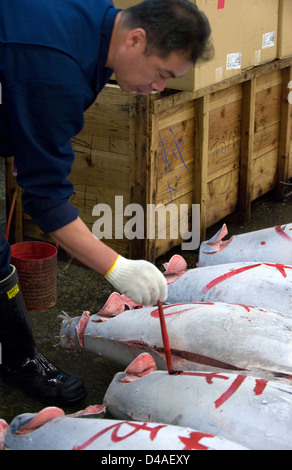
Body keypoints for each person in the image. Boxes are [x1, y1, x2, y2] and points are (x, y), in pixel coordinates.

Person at [0, 0, 212, 405]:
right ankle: (19, 362)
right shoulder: (56, 68)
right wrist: (115, 266)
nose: (158, 88)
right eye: (162, 74)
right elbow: (45, 200)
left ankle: (14, 357)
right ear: (136, 39)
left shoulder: (96, 19)